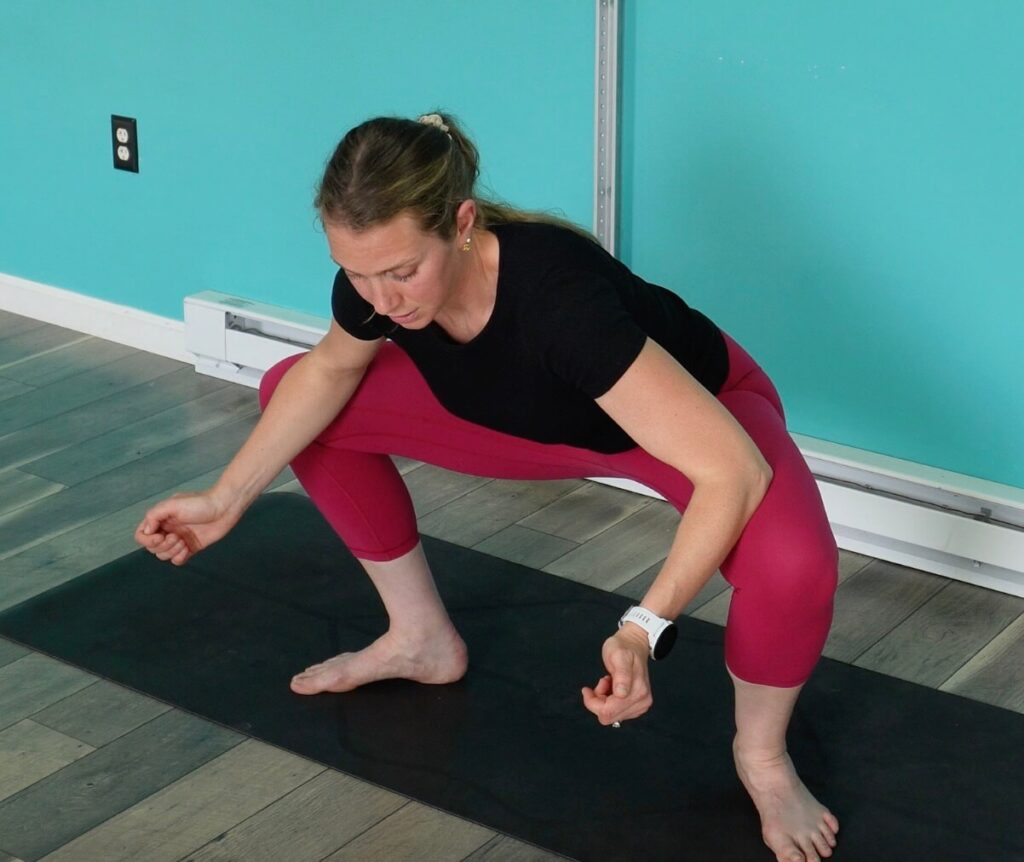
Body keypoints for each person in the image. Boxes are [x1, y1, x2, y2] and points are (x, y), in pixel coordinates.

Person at [135, 111, 840, 862]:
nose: (381, 300)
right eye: (357, 273)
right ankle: (421, 638)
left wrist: (642, 629)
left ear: (462, 223)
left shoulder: (560, 302)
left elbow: (733, 470)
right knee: (294, 394)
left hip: (681, 424)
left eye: (402, 271)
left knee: (794, 564)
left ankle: (761, 757)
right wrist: (226, 497)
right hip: (523, 420)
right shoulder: (378, 290)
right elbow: (332, 369)